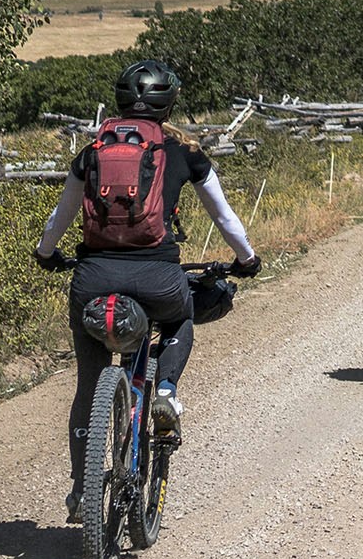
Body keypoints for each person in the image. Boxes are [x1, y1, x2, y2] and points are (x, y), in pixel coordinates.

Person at [33, 59, 260, 517]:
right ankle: (165, 392)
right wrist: (247, 259)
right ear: (168, 103)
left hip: (92, 279)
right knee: (180, 319)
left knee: (87, 388)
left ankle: (81, 491)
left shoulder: (92, 151)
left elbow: (60, 218)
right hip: (158, 278)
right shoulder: (183, 152)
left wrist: (46, 253)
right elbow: (224, 217)